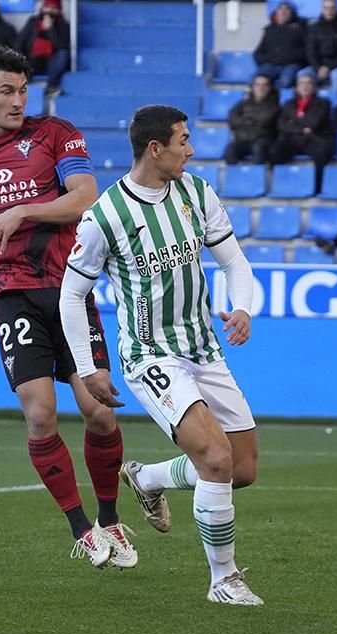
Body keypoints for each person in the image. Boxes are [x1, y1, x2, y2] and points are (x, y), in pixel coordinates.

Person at [58, 104, 264, 606]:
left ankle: (147, 477)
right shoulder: (105, 216)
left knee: (241, 470)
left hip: (203, 348)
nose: (191, 150)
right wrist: (87, 370)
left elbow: (233, 260)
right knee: (214, 458)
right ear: (156, 148)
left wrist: (243, 308)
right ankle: (224, 579)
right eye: (183, 140)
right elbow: (71, 295)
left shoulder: (197, 192)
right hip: (151, 356)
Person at [0, 45, 132, 570]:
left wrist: (22, 211)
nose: (18, 100)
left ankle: (111, 516)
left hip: (69, 290)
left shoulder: (56, 133)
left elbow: (85, 196)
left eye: (24, 89)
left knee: (97, 411)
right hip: (14, 296)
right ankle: (83, 530)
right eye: (6, 91)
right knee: (40, 414)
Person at [269, 71, 334, 194]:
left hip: (314, 139)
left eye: (309, 83)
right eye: (301, 83)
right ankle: (282, 186)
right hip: (294, 139)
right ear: (296, 87)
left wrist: (293, 120)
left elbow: (314, 122)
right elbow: (281, 125)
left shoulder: (323, 103)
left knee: (320, 154)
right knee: (275, 151)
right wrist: (301, 129)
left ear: (315, 87)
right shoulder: (288, 104)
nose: (305, 86)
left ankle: (317, 189)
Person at [16, 0, 70, 94]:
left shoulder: (64, 26)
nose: (50, 10)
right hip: (33, 58)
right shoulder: (33, 22)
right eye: (48, 7)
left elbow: (61, 46)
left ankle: (51, 86)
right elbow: (21, 41)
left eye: (54, 8)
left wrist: (50, 30)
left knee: (63, 54)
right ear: (43, 8)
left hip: (51, 61)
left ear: (59, 10)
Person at [224, 74, 279, 165]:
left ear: (270, 88)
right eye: (257, 84)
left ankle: (258, 177)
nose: (261, 88)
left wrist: (245, 119)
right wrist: (251, 121)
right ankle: (233, 178)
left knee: (259, 148)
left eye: (265, 85)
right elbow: (232, 118)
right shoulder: (243, 103)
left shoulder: (274, 105)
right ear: (252, 87)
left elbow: (265, 121)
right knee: (230, 149)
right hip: (243, 139)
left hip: (262, 140)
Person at [305, 0, 337, 107]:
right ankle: (307, 109)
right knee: (302, 74)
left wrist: (329, 67)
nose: (329, 11)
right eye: (326, 8)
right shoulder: (314, 27)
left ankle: (335, 108)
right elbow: (310, 51)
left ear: (336, 9)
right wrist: (318, 67)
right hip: (318, 66)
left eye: (332, 8)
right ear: (322, 9)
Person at [253, 0, 308, 91]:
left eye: (287, 9)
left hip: (291, 65)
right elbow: (258, 53)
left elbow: (306, 52)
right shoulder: (269, 30)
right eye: (280, 9)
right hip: (271, 65)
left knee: (286, 81)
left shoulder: (301, 29)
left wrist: (288, 57)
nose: (283, 12)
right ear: (277, 12)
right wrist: (270, 59)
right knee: (254, 80)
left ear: (292, 13)